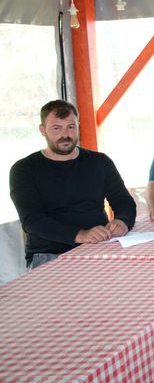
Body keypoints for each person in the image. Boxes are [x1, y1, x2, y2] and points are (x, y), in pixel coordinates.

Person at [10, 100, 136, 269]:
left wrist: (123, 221)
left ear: (78, 126)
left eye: (71, 127)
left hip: (100, 245)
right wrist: (81, 235)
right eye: (57, 128)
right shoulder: (24, 169)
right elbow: (32, 220)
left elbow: (123, 200)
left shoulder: (100, 161)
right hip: (50, 254)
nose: (65, 134)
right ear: (42, 130)